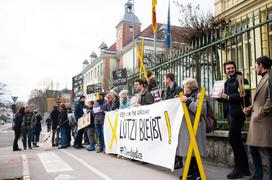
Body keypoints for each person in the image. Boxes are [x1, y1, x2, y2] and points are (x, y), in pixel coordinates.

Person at [219, 61, 251, 179]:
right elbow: (225, 98)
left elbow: (245, 95)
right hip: (230, 114)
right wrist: (219, 97)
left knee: (233, 140)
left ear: (235, 68)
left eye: (232, 68)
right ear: (225, 70)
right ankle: (245, 169)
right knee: (236, 141)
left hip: (238, 114)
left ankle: (239, 169)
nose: (230, 70)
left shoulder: (241, 79)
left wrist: (227, 97)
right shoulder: (227, 82)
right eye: (228, 69)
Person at [244, 56, 272, 180]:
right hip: (258, 121)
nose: (255, 68)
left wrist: (260, 111)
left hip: (265, 121)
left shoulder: (270, 77)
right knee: (252, 148)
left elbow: (271, 100)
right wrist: (251, 108)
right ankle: (257, 176)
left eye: (256, 65)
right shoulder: (263, 78)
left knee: (269, 151)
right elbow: (260, 99)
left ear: (260, 65)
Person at [178, 78, 207, 180]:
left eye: (184, 86)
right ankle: (189, 172)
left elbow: (202, 110)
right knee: (187, 151)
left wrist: (188, 102)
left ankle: (198, 174)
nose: (183, 88)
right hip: (187, 127)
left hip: (196, 127)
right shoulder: (186, 96)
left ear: (189, 87)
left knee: (195, 150)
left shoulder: (199, 95)